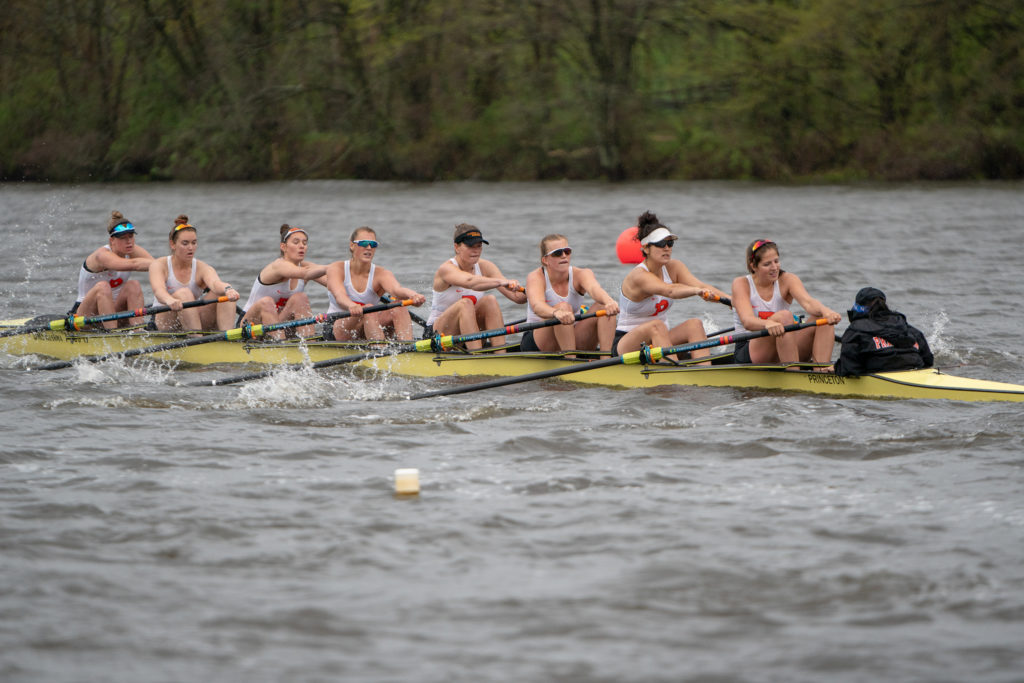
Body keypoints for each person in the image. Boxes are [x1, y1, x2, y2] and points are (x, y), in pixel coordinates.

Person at [614, 211, 730, 364]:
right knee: (657, 326)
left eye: (670, 243)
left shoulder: (674, 267)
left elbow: (702, 285)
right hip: (627, 344)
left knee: (694, 325)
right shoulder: (639, 276)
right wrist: (696, 291)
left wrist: (733, 302)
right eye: (661, 244)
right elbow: (670, 290)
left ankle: (704, 372)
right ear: (645, 248)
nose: (667, 248)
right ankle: (673, 376)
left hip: (660, 340)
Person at [731, 239, 842, 369]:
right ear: (753, 266)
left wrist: (827, 311)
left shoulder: (788, 280)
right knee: (784, 316)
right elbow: (747, 321)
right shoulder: (741, 284)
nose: (774, 267)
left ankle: (822, 373)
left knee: (823, 319)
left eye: (776, 261)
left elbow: (808, 303)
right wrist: (768, 324)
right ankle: (793, 374)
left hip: (784, 345)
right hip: (750, 349)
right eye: (767, 264)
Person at [426, 223, 527, 351]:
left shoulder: (486, 266)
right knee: (465, 304)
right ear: (456, 247)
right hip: (438, 335)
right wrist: (501, 282)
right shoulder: (446, 269)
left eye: (479, 246)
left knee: (490, 300)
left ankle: (500, 353)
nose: (476, 251)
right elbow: (471, 282)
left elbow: (517, 298)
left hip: (468, 332)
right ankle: (476, 356)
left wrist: (537, 290)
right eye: (470, 246)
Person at [521, 234, 619, 355]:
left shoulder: (582, 274)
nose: (563, 256)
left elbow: (594, 289)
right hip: (537, 341)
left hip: (570, 334)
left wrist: (609, 301)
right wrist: (556, 312)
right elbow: (537, 306)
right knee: (563, 307)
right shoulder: (536, 277)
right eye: (557, 253)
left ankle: (606, 359)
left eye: (567, 251)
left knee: (603, 306)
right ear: (545, 260)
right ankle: (571, 360)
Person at [324, 226, 426, 341]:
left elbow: (397, 290)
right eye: (364, 243)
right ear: (352, 245)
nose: (369, 248)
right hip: (338, 328)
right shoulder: (337, 268)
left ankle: (407, 347)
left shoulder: (381, 273)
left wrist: (413, 295)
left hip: (368, 324)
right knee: (368, 309)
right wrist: (351, 305)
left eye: (373, 244)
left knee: (398, 307)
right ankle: (379, 350)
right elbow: (339, 295)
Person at [148, 215, 241, 332]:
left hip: (191, 318)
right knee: (184, 294)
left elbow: (215, 283)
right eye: (185, 243)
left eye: (194, 243)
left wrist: (228, 289)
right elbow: (159, 291)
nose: (191, 248)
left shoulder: (202, 267)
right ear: (173, 244)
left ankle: (227, 338)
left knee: (223, 293)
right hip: (165, 321)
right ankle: (196, 338)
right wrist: (169, 300)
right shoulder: (159, 265)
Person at [239, 224, 328, 339]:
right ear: (283, 247)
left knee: (300, 298)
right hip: (250, 326)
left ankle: (310, 344)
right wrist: (334, 267)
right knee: (266, 302)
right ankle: (280, 349)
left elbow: (331, 282)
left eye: (304, 243)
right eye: (296, 243)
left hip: (278, 324)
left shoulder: (306, 266)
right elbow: (306, 273)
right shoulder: (278, 266)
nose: (301, 246)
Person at [72, 211, 156, 329]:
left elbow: (156, 266)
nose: (129, 241)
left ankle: (138, 331)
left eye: (131, 236)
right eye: (123, 238)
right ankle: (112, 334)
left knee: (134, 285)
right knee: (103, 286)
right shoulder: (102, 255)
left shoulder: (131, 248)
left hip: (113, 311)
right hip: (85, 315)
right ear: (112, 241)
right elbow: (134, 264)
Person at [833, 287, 933, 376]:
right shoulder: (905, 326)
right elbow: (928, 361)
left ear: (857, 308)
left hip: (882, 375)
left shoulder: (855, 330)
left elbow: (850, 370)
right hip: (915, 370)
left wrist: (836, 368)